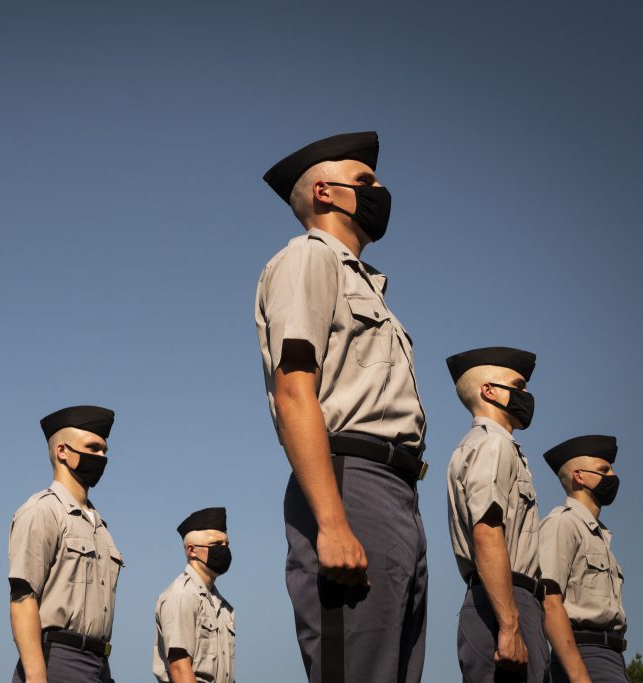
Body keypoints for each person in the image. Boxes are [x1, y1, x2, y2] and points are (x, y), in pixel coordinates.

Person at [255, 131, 428, 682]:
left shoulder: (369, 285)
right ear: (326, 193)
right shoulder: (308, 259)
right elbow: (293, 390)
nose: (380, 192)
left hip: (397, 492)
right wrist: (332, 522)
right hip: (349, 482)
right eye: (366, 182)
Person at [445, 347, 548, 682]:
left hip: (506, 600)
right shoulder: (493, 444)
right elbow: (487, 531)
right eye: (518, 386)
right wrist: (510, 624)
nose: (527, 395)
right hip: (502, 601)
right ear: (489, 391)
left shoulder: (487, 446)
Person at [8, 405, 123, 683]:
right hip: (59, 659)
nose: (102, 457)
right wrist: (36, 677)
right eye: (93, 448)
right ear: (62, 451)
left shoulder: (100, 526)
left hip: (100, 663)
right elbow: (23, 598)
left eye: (105, 451)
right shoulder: (42, 511)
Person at [540, 435, 628, 683]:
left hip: (613, 657)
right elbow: (549, 601)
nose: (612, 475)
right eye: (604, 469)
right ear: (579, 476)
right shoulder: (563, 523)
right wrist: (580, 677)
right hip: (584, 655)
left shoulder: (599, 534)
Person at [153, 507, 234, 683]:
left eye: (226, 544)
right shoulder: (182, 596)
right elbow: (180, 669)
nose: (224, 550)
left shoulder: (221, 605)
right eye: (216, 545)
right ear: (191, 550)